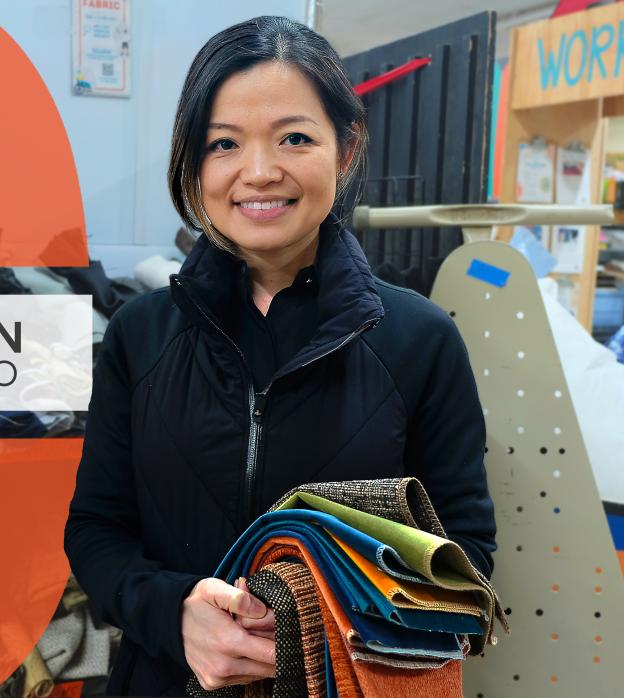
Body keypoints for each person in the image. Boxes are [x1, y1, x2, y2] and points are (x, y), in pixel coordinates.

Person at [64, 15, 497, 697]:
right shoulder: (140, 335)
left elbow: (465, 558)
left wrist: (319, 630)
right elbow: (96, 531)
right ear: (193, 163)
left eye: (294, 138)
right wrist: (176, 616)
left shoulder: (420, 341)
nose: (259, 172)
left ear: (345, 151)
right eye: (224, 143)